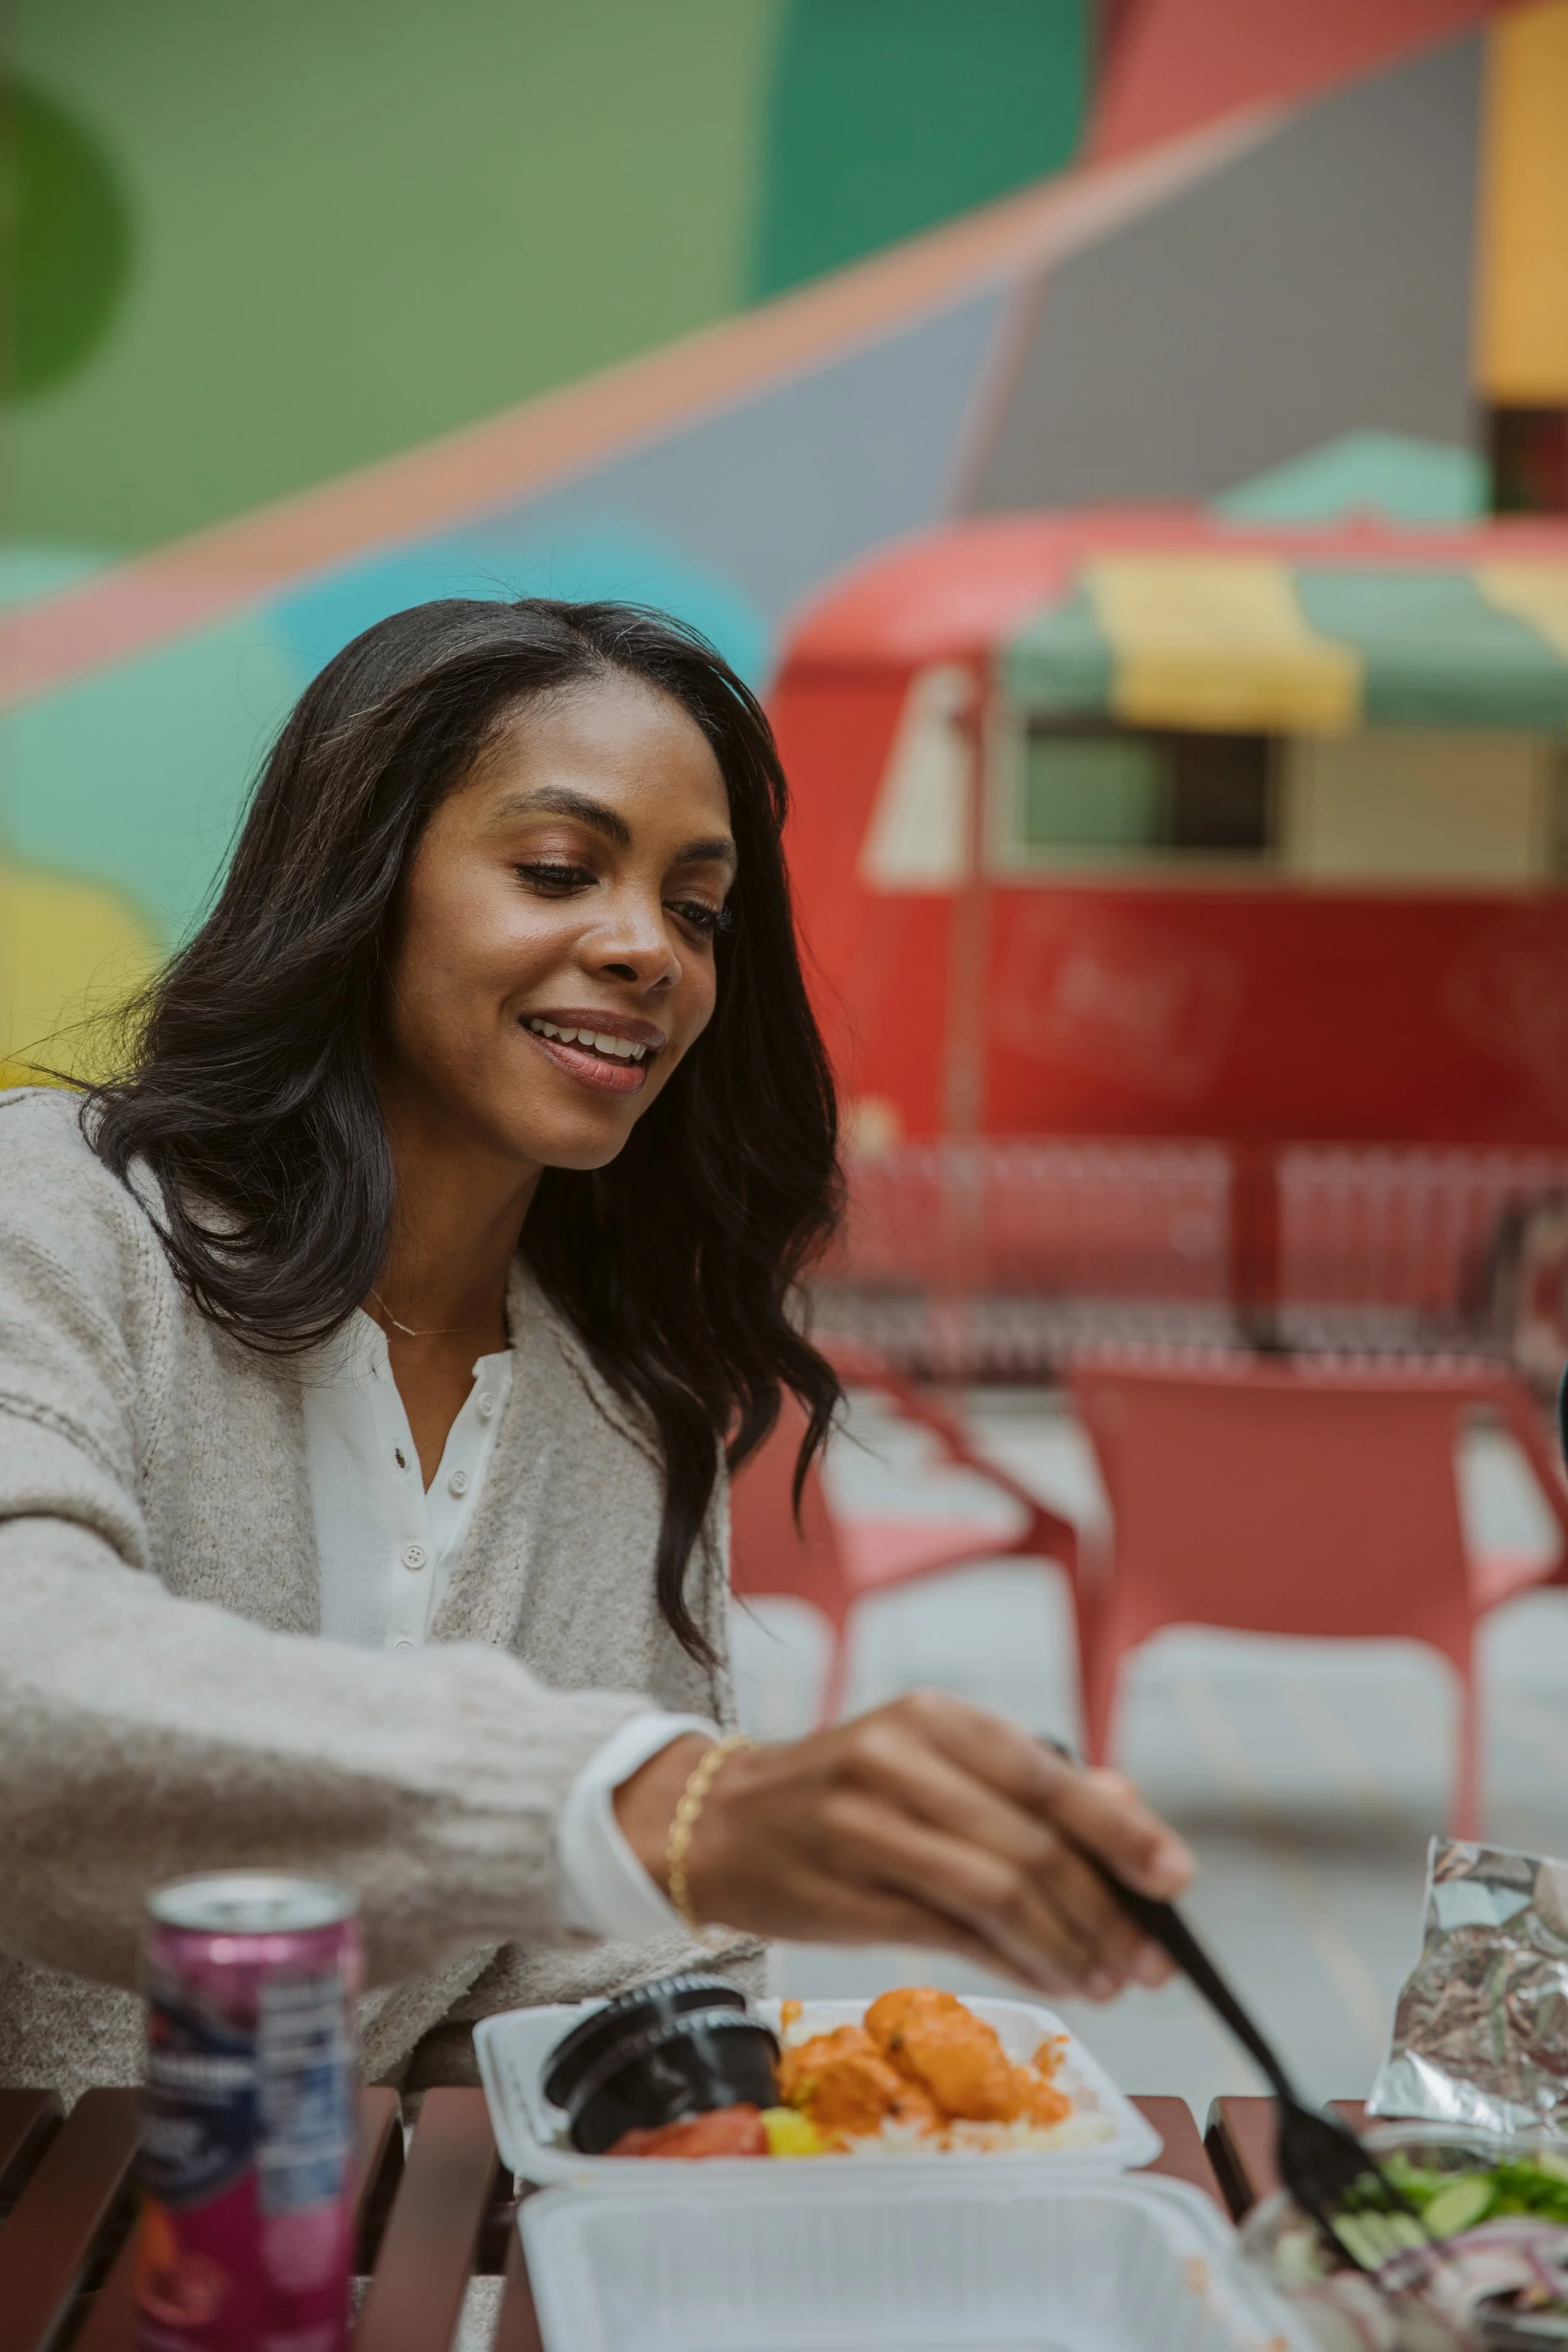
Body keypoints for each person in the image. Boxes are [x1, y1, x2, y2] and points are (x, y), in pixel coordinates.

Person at [0, 598, 1191, 2106]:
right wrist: (655, 1802)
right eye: (559, 871)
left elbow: (606, 1987)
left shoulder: (619, 1415)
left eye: (697, 911)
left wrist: (798, 2133)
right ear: (363, 884)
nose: (648, 951)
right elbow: (29, 1702)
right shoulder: (54, 1215)